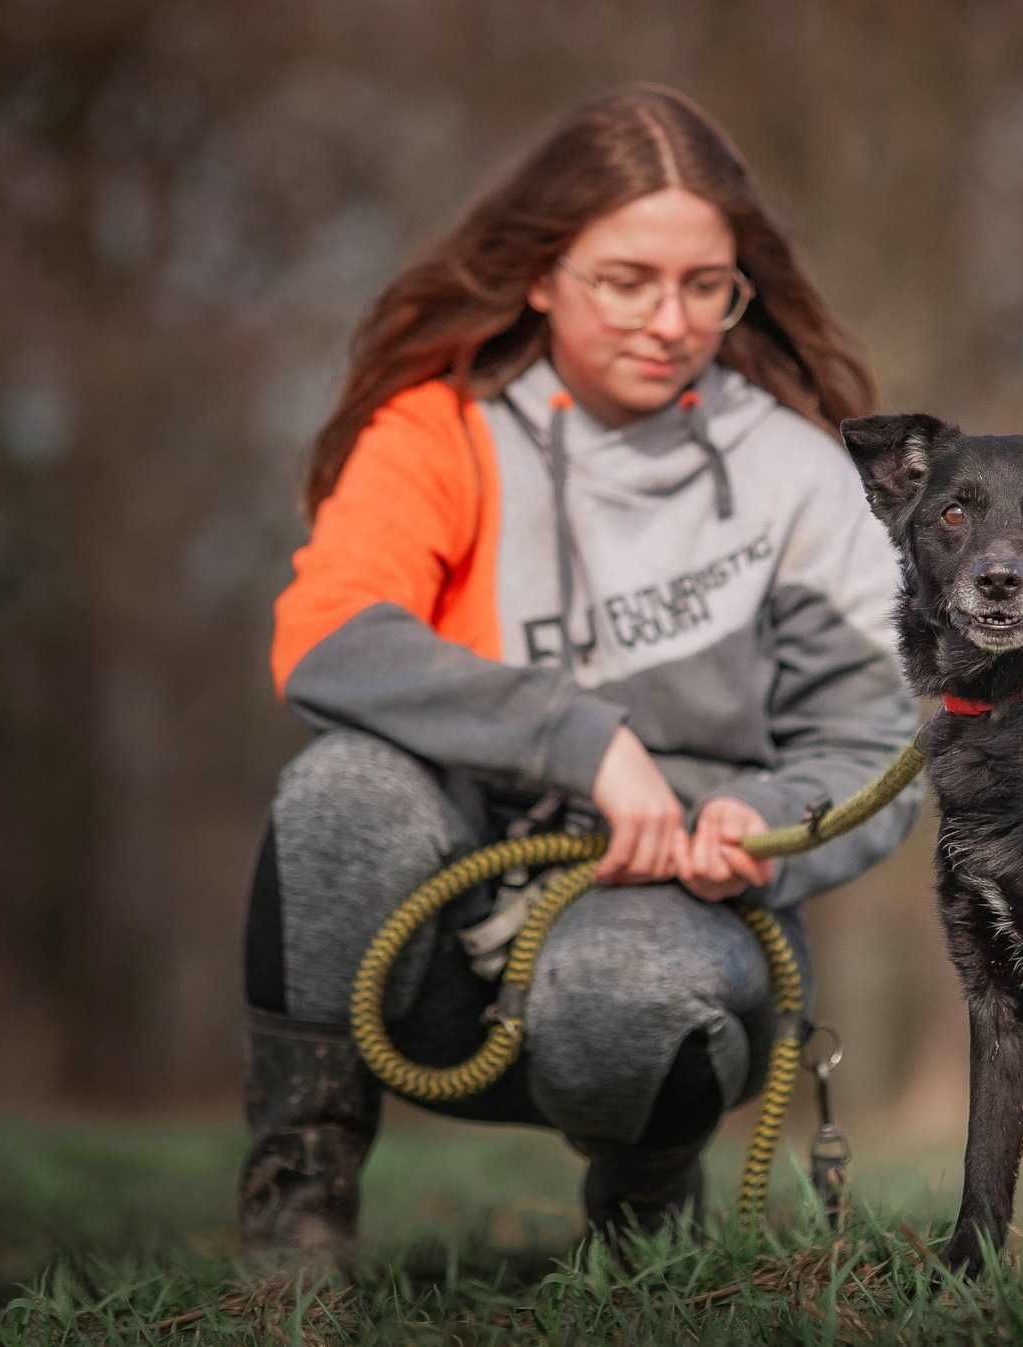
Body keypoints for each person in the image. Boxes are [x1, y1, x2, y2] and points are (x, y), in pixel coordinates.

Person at [238, 84, 920, 1265]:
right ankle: (297, 1202)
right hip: (435, 963)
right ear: (540, 273)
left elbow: (876, 747)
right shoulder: (439, 431)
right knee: (341, 788)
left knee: (630, 987)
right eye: (626, 281)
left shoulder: (799, 477)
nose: (670, 321)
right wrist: (581, 741)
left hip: (679, 951)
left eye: (706, 286)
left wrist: (755, 822)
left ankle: (648, 1209)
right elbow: (328, 632)